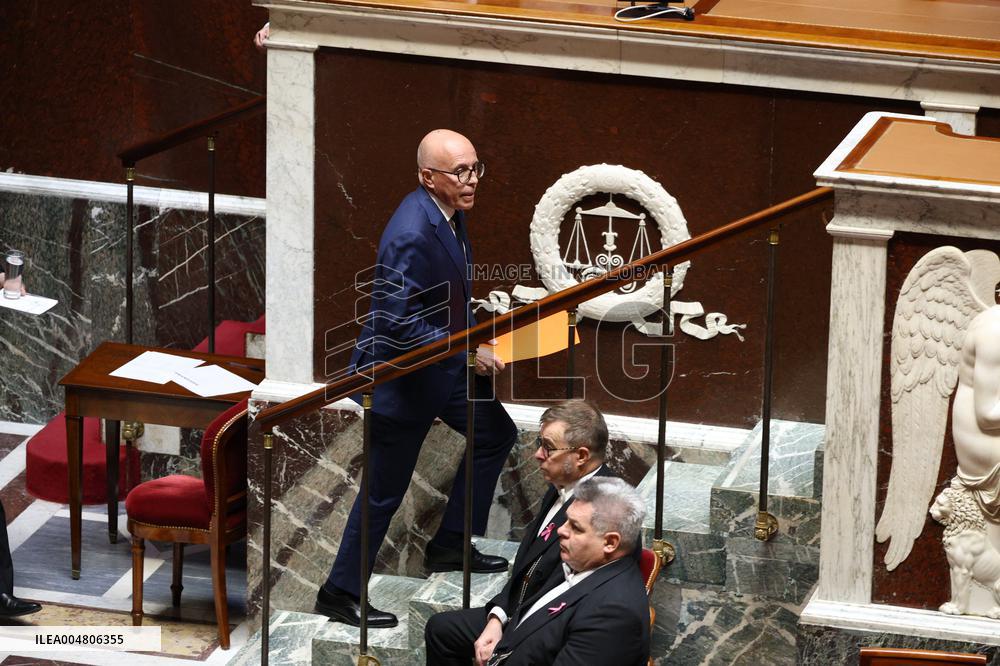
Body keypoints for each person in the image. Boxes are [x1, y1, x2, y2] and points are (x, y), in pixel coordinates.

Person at [314, 130, 518, 628]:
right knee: (384, 491)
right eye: (460, 173)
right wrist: (469, 348)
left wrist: (472, 340)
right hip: (399, 381)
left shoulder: (449, 213)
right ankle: (338, 592)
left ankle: (450, 543)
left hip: (441, 370)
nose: (471, 181)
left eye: (475, 169)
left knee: (495, 434)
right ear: (428, 177)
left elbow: (443, 298)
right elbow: (394, 320)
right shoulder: (411, 231)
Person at [424, 399, 621, 664]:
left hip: (551, 628)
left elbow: (570, 598)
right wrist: (497, 617)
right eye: (540, 444)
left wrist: (510, 637)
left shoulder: (602, 512)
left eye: (548, 448)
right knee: (442, 630)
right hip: (519, 612)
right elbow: (525, 571)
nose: (537, 454)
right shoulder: (560, 486)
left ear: (582, 456)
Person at [435, 477, 651, 666]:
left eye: (575, 527)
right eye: (566, 520)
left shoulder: (613, 614)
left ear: (610, 542)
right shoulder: (585, 567)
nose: (561, 530)